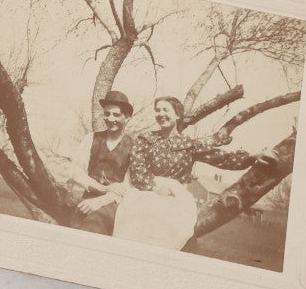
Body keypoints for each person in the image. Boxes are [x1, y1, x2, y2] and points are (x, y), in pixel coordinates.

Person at [111, 95, 267, 249]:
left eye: (166, 110)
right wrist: (155, 188)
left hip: (175, 198)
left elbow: (221, 158)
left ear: (178, 115)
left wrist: (252, 156)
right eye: (157, 110)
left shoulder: (189, 144)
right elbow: (137, 168)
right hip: (144, 193)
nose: (160, 114)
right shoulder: (145, 139)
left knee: (178, 237)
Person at [70, 90, 134, 235]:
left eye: (116, 115)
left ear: (127, 117)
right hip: (89, 197)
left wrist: (102, 199)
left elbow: (129, 185)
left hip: (115, 203)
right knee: (73, 229)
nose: (110, 119)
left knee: (92, 228)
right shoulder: (91, 138)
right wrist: (102, 188)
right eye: (107, 114)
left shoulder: (134, 146)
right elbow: (76, 171)